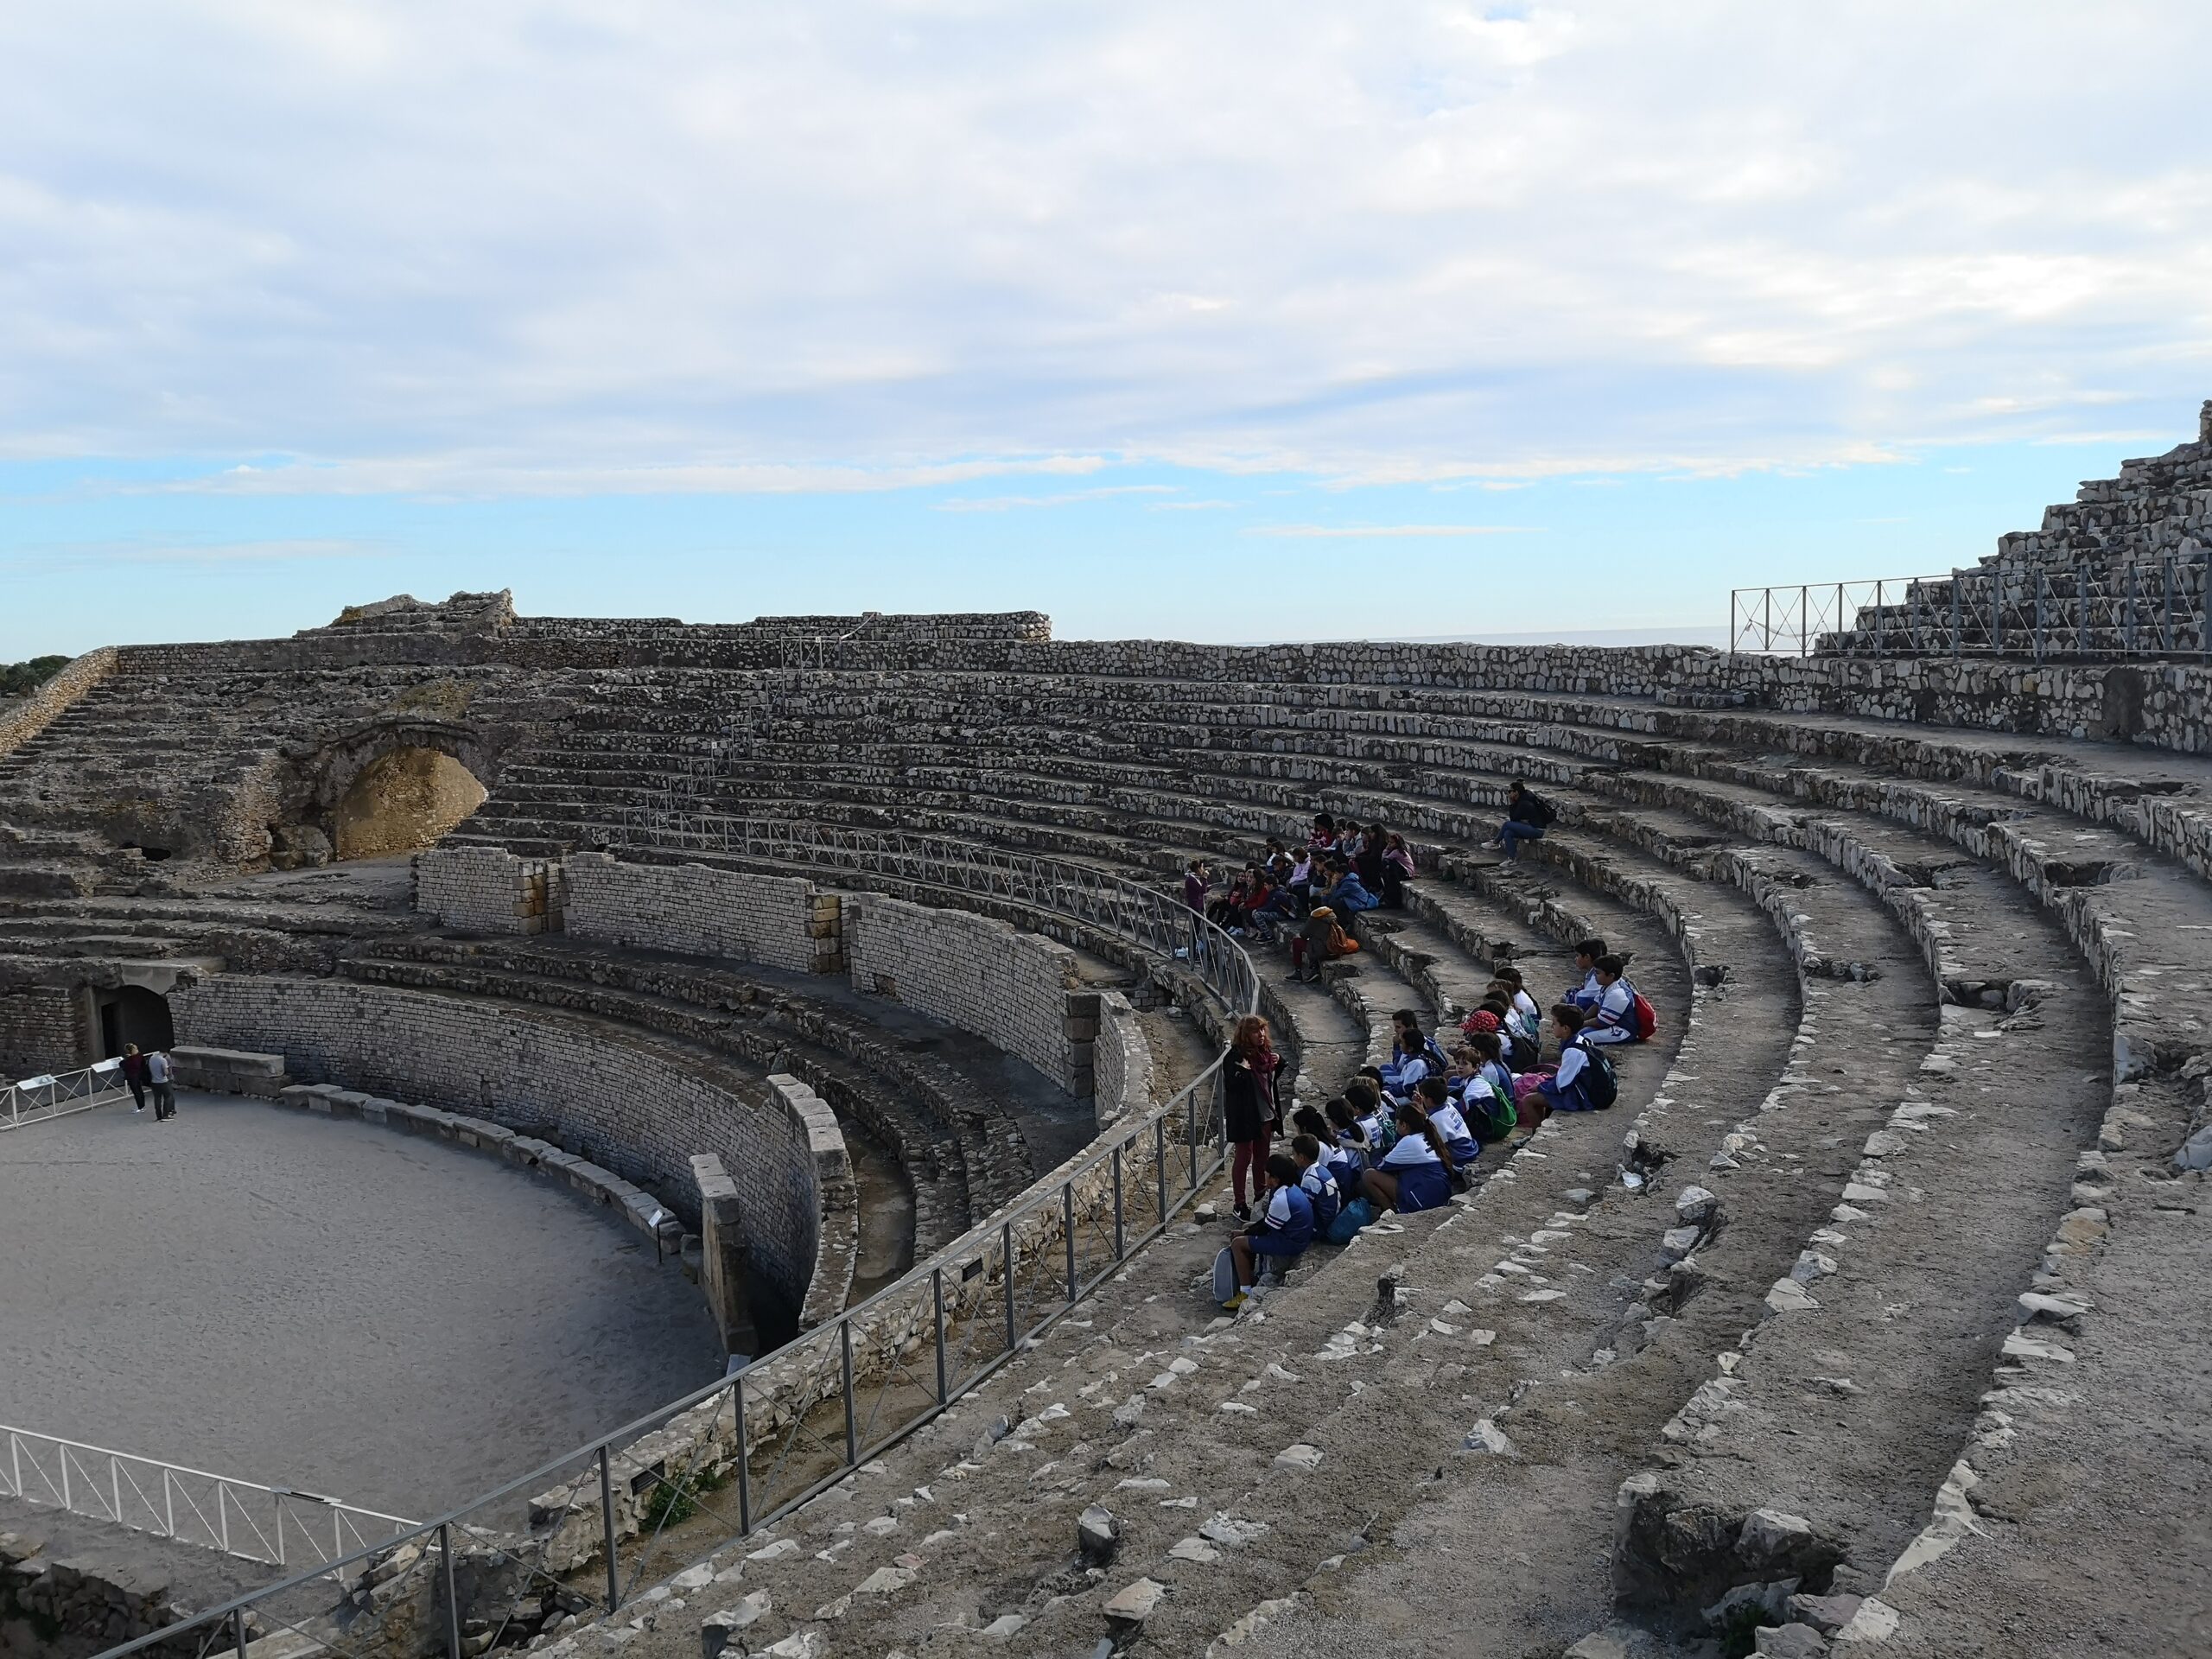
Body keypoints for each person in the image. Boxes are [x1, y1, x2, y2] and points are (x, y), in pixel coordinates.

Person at [1224, 1152, 1315, 1309]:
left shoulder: (1281, 1199)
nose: (1263, 1175)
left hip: (1290, 1242)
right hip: (1291, 1233)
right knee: (1247, 1227)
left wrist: (1243, 1234)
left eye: (1266, 1173)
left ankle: (1244, 1292)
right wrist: (1247, 1230)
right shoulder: (1289, 1189)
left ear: (1274, 1179)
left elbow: (1266, 1228)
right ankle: (1250, 1271)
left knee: (1238, 1244)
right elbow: (1267, 1222)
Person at [1224, 1015, 1282, 1222]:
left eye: (1263, 1030)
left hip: (1265, 1115)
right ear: (1245, 1035)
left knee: (1262, 1158)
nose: (1262, 1035)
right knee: (1243, 1158)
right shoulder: (1234, 1057)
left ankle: (1261, 1195)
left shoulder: (1265, 1055)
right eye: (1256, 1031)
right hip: (1245, 1118)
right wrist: (1242, 1070)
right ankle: (1239, 1203)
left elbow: (1270, 1082)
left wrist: (1278, 1063)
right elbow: (1231, 1085)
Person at [1360, 1098, 1455, 1213]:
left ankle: (1391, 1213)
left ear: (1404, 1125)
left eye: (1397, 1121)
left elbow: (1381, 1166)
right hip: (1440, 1193)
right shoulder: (1426, 1135)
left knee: (1369, 1175)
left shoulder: (1410, 1142)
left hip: (1426, 1200)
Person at [1536, 1005, 1613, 1114]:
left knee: (1529, 1100)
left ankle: (1535, 1129)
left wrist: (1540, 1087)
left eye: (1554, 1024)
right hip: (1588, 1089)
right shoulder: (1582, 1040)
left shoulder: (1572, 1051)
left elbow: (1561, 1085)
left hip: (1587, 1098)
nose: (1552, 1027)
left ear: (1565, 1028)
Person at [1414, 1075, 1482, 1172]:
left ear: (1429, 1099)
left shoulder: (1436, 1119)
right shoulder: (1448, 1106)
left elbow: (1438, 1147)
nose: (1422, 1098)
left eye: (1423, 1096)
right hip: (1470, 1149)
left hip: (1460, 1162)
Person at [1486, 779, 1555, 861]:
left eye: (1509, 791)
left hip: (1538, 830)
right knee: (1507, 833)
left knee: (1507, 824)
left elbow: (1513, 819)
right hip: (1532, 827)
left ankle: (1495, 843)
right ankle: (1512, 859)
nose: (1508, 794)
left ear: (1516, 792)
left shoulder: (1523, 803)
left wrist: (1512, 803)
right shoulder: (1526, 797)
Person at [1290, 1134, 1343, 1235]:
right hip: (1332, 1216)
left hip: (1320, 1226)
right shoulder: (1322, 1169)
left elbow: (1304, 1210)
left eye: (1294, 1154)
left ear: (1301, 1157)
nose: (1293, 1157)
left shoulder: (1310, 1179)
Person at [1582, 955, 1638, 1045]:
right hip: (1612, 1022)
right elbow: (1596, 1005)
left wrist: (1580, 1024)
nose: (1595, 976)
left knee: (1582, 1036)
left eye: (1598, 973)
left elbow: (1602, 1022)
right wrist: (1582, 1019)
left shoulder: (1617, 994)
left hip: (1623, 1030)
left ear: (1611, 975)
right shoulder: (1608, 984)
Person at [1566, 938, 1607, 1009]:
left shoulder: (1597, 976)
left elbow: (1582, 1000)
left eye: (1578, 955)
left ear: (1587, 957)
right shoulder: (1591, 973)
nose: (1576, 959)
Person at [1379, 834, 1416, 908]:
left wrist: (1386, 849)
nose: (1389, 844)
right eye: (1389, 842)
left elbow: (1384, 858)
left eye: (1392, 843)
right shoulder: (1400, 850)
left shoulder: (1396, 852)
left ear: (1397, 844)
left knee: (1387, 863)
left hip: (1406, 872)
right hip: (1405, 870)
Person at [147, 1048, 176, 1121]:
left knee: (157, 1099)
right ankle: (165, 1115)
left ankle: (158, 1116)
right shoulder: (162, 1060)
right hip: (163, 1082)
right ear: (166, 1053)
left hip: (154, 1082)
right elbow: (165, 1072)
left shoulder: (152, 1058)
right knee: (168, 1096)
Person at [120, 1044, 148, 1113]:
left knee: (136, 1092)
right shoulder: (139, 1056)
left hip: (132, 1077)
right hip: (139, 1075)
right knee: (140, 1091)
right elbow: (143, 1064)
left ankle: (140, 1107)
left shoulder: (130, 1059)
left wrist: (126, 1060)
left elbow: (124, 1067)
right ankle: (142, 1106)